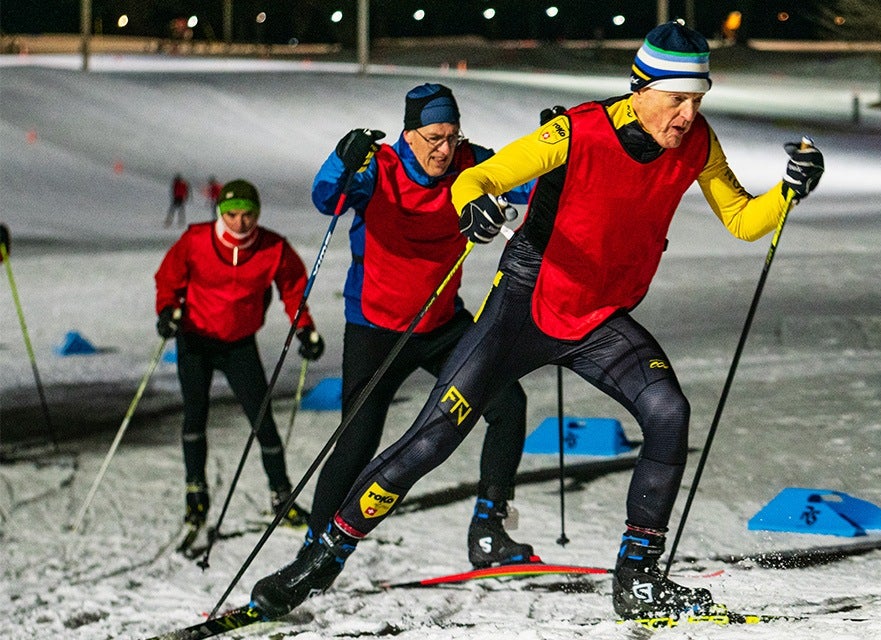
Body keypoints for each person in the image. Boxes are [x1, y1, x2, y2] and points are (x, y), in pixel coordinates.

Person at [251, 22, 824, 620]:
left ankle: (638, 579)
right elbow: (479, 177)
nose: (687, 114)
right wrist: (472, 203)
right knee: (432, 438)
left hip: (598, 316)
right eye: (677, 98)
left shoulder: (698, 143)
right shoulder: (576, 131)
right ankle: (321, 560)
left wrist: (787, 191)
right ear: (641, 88)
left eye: (697, 99)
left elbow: (741, 219)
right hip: (524, 306)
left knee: (668, 411)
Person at [298, 83, 535, 570]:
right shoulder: (380, 167)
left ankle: (487, 531)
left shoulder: (471, 163)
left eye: (451, 136)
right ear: (409, 134)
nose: (444, 149)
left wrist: (558, 142)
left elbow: (531, 180)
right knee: (358, 442)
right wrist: (342, 159)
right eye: (433, 137)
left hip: (441, 324)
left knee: (507, 403)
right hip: (375, 328)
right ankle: (314, 551)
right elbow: (328, 199)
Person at [155, 179, 326, 533]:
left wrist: (305, 328)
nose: (239, 222)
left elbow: (293, 289)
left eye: (247, 215)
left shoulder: (273, 247)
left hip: (239, 344)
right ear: (221, 213)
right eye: (231, 214)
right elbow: (168, 279)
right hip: (195, 340)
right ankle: (195, 493)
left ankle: (281, 496)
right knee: (195, 417)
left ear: (257, 214)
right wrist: (167, 310)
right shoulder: (196, 240)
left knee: (263, 421)